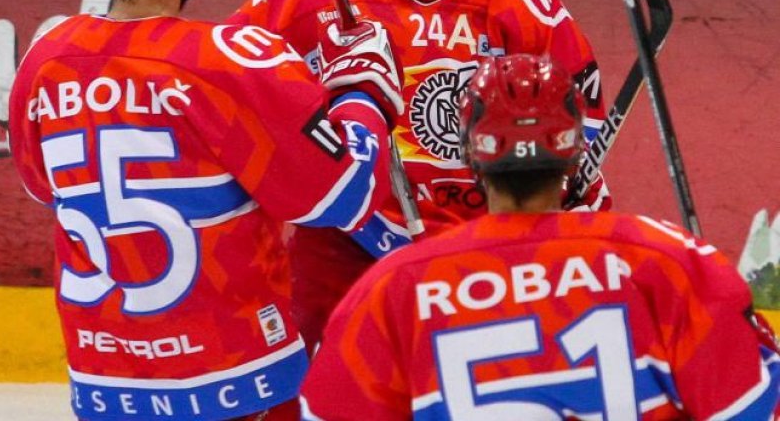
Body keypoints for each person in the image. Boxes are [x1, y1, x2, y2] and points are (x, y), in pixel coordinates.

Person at [6, 0, 403, 421]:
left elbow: (44, 188)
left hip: (105, 385)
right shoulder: (226, 60)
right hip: (239, 381)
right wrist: (363, 92)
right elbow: (341, 197)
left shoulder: (45, 60)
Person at [228, 0, 611, 349]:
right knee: (325, 384)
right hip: (353, 238)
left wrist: (562, 209)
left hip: (484, 246)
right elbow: (228, 78)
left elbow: (582, 117)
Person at [300, 53, 780, 420]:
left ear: (471, 154)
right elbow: (749, 408)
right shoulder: (668, 258)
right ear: (573, 150)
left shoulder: (391, 288)